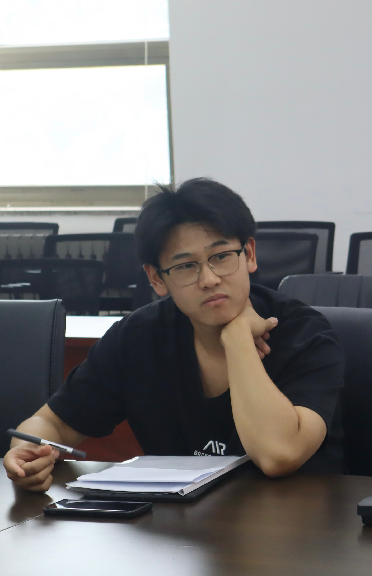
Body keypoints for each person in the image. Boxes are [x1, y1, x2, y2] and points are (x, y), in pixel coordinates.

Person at [4, 178, 344, 492]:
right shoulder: (137, 337)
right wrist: (27, 452)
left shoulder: (304, 333)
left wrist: (237, 338)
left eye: (221, 256)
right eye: (185, 266)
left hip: (295, 526)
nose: (209, 279)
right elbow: (52, 422)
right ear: (156, 279)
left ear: (250, 255)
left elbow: (278, 456)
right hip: (180, 526)